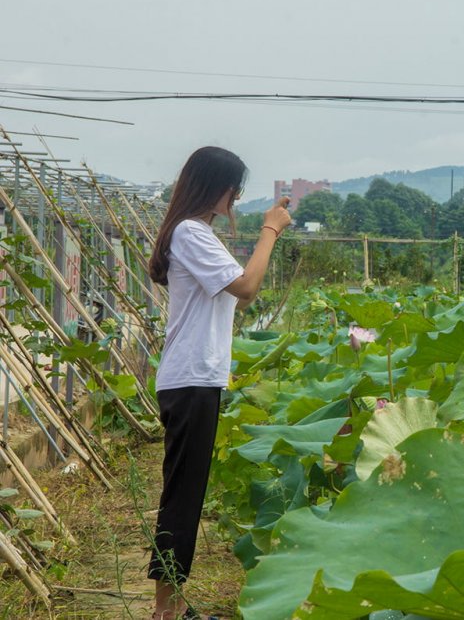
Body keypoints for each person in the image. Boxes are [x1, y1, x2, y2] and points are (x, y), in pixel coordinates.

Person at [147, 146, 291, 620]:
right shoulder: (191, 232)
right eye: (236, 188)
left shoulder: (196, 232)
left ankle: (172, 608)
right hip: (190, 379)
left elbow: (239, 294)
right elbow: (247, 288)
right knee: (183, 498)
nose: (237, 197)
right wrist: (270, 229)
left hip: (195, 378)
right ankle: (166, 612)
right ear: (217, 187)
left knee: (185, 493)